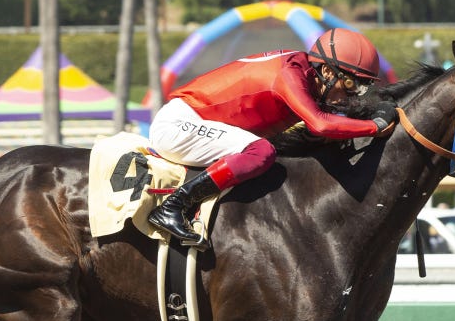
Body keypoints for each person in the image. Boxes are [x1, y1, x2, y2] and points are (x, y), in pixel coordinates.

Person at [146, 28, 397, 247]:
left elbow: (335, 117)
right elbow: (321, 124)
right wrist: (373, 127)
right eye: (352, 86)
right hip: (178, 125)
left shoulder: (308, 73)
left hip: (196, 120)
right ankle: (173, 207)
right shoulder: (290, 76)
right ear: (328, 74)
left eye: (364, 88)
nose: (353, 96)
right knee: (261, 152)